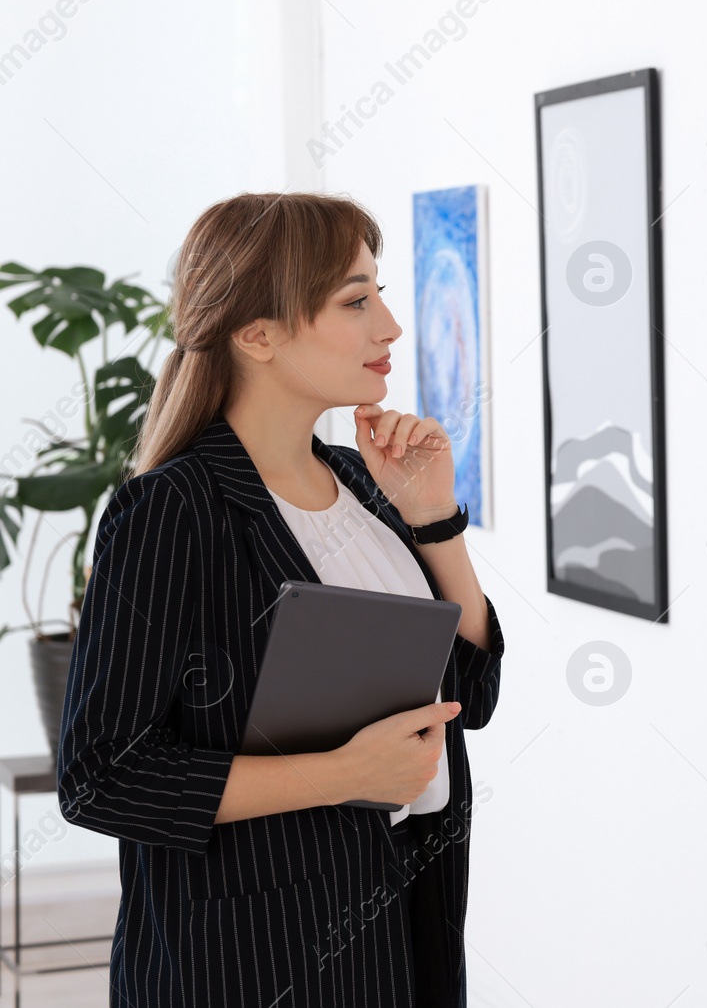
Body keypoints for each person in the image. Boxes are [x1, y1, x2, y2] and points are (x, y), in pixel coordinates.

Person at [55, 191, 505, 1007]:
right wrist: (341, 773)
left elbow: (469, 697)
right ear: (256, 333)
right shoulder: (174, 509)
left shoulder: (364, 481)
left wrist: (435, 520)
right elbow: (101, 775)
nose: (390, 327)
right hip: (253, 958)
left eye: (381, 293)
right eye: (355, 301)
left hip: (399, 917)